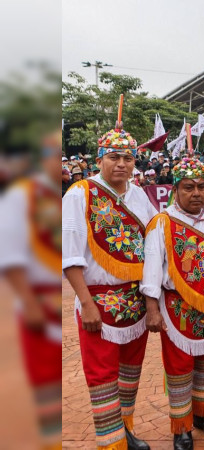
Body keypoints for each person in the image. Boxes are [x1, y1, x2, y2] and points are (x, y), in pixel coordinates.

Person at [62, 123, 158, 450]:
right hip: (99, 301)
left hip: (135, 298)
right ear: (100, 159)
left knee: (130, 371)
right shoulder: (80, 193)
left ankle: (125, 430)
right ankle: (111, 442)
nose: (121, 164)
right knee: (102, 376)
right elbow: (71, 254)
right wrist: (86, 303)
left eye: (128, 158)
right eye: (114, 156)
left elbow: (152, 244)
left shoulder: (138, 195)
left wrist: (151, 300)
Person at [141, 157, 204, 450]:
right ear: (175, 190)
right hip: (177, 309)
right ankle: (182, 427)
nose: (196, 194)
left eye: (201, 187)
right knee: (179, 368)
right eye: (188, 188)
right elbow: (151, 270)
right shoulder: (162, 223)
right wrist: (152, 310)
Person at [0, 131, 64, 449]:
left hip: (61, 300)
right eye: (57, 154)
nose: (61, 162)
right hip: (38, 301)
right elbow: (9, 254)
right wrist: (28, 301)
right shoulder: (22, 195)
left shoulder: (61, 195)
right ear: (45, 156)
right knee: (46, 384)